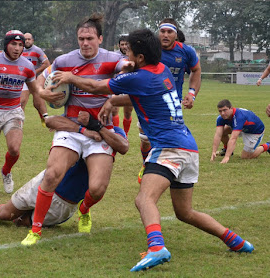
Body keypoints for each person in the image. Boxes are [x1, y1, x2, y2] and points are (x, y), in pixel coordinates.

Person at [53, 28, 254, 272]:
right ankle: (237, 242)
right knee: (185, 212)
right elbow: (142, 97)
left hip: (169, 148)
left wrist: (70, 78)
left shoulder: (137, 77)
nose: (124, 57)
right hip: (188, 148)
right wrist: (114, 100)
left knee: (144, 199)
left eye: (127, 53)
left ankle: (157, 247)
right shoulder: (162, 70)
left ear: (139, 57)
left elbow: (96, 87)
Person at [20, 13, 127, 246]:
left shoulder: (113, 59)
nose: (85, 43)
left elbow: (126, 69)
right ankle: (35, 230)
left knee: (97, 188)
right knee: (52, 174)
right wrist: (44, 92)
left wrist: (116, 92)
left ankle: (84, 208)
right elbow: (40, 84)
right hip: (72, 127)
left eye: (89, 38)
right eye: (81, 38)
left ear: (100, 38)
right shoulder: (64, 61)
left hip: (101, 130)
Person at [0, 113, 128, 229]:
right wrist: (82, 129)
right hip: (45, 181)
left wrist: (98, 127)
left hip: (63, 201)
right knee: (5, 213)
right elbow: (49, 120)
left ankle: (29, 219)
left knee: (22, 222)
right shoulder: (77, 118)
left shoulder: (113, 133)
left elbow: (123, 147)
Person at [0, 30, 47, 196]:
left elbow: (36, 93)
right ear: (6, 45)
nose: (17, 48)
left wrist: (45, 116)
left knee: (14, 149)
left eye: (20, 45)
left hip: (13, 111)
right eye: (14, 44)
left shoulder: (27, 66)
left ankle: (6, 171)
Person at [137, 18, 201, 183]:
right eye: (162, 31)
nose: (165, 35)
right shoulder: (151, 51)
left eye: (169, 32)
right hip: (148, 103)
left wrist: (192, 93)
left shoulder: (186, 52)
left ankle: (161, 171)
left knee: (167, 140)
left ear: (176, 34)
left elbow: (196, 70)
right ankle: (147, 164)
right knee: (145, 142)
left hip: (172, 104)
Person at [210, 99, 270, 163]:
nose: (222, 113)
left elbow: (233, 138)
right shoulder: (220, 118)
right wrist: (213, 151)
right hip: (241, 127)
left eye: (225, 110)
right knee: (223, 132)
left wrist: (227, 157)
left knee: (245, 156)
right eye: (220, 111)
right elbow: (218, 135)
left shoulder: (239, 117)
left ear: (231, 108)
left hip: (254, 131)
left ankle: (268, 145)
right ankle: (226, 149)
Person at [21, 33, 50, 110]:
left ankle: (44, 120)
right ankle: (19, 121)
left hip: (35, 80)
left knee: (38, 104)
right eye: (25, 39)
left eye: (29, 39)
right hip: (24, 80)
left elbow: (47, 64)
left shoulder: (37, 50)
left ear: (32, 40)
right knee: (21, 102)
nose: (27, 41)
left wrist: (35, 72)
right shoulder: (20, 50)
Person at [112, 35, 134, 136]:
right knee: (114, 109)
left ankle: (125, 134)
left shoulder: (134, 55)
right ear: (119, 45)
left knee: (128, 112)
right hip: (117, 86)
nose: (124, 46)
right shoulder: (114, 56)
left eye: (126, 44)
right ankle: (116, 134)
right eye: (122, 44)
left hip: (129, 86)